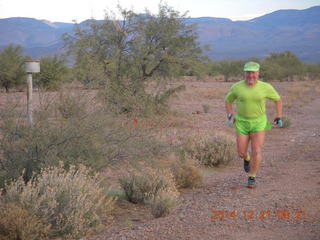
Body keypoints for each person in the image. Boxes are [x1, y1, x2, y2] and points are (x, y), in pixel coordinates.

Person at [224, 61, 283, 188]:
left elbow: (277, 100)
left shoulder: (266, 87)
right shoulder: (237, 87)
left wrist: (278, 116)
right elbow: (228, 100)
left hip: (258, 122)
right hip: (242, 123)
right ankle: (247, 158)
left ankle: (252, 177)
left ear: (258, 73)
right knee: (241, 152)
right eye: (248, 72)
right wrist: (229, 115)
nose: (251, 75)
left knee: (257, 150)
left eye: (253, 72)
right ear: (245, 73)